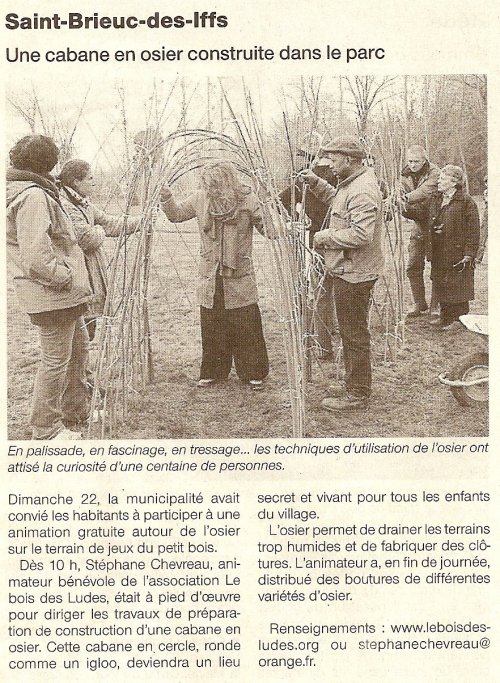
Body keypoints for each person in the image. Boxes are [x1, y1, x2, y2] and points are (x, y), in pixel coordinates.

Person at [6, 135, 92, 439]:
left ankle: (76, 409)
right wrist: (64, 277)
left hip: (62, 296)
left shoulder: (38, 190)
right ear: (47, 163)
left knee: (79, 351)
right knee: (55, 362)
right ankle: (46, 429)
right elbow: (36, 257)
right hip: (52, 294)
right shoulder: (32, 196)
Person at [159, 160, 270, 390]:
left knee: (245, 322)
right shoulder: (201, 199)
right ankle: (214, 371)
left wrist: (272, 208)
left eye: (216, 185)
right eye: (208, 185)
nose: (212, 190)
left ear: (228, 182)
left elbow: (269, 230)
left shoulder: (247, 200)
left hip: (238, 275)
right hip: (211, 275)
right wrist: (166, 197)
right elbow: (176, 215)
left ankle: (252, 372)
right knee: (213, 323)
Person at [299, 138, 384, 412]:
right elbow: (337, 201)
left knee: (353, 333)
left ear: (349, 160)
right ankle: (354, 383)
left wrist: (324, 237)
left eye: (334, 160)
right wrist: (313, 181)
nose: (330, 165)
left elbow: (361, 234)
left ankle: (358, 393)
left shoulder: (362, 191)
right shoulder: (351, 185)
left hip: (355, 273)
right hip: (349, 269)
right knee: (351, 331)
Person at [58, 160, 142, 340]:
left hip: (88, 275)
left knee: (88, 329)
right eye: (90, 178)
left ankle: (82, 368)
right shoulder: (66, 205)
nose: (94, 182)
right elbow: (86, 239)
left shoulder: (82, 202)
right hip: (76, 275)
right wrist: (99, 230)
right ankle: (78, 368)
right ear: (75, 182)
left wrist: (141, 221)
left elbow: (110, 223)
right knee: (79, 332)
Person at [280, 150, 338, 359]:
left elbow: (279, 201)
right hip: (336, 240)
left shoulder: (307, 179)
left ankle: (322, 343)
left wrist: (296, 215)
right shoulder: (341, 178)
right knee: (332, 291)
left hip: (317, 240)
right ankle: (327, 336)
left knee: (320, 291)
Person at [429, 165, 480, 329]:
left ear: (455, 182)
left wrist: (469, 254)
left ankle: (459, 320)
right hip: (440, 249)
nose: (439, 181)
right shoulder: (437, 198)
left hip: (458, 251)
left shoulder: (466, 202)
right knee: (442, 282)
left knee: (458, 285)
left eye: (443, 179)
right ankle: (445, 317)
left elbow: (473, 230)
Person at [398, 145, 440, 317]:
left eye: (416, 161)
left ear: (424, 160)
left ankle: (436, 305)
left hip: (436, 223)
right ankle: (419, 303)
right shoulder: (404, 175)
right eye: (410, 161)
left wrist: (405, 198)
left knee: (437, 265)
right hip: (418, 222)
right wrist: (398, 200)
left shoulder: (434, 173)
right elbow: (400, 192)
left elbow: (425, 191)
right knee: (413, 265)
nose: (413, 164)